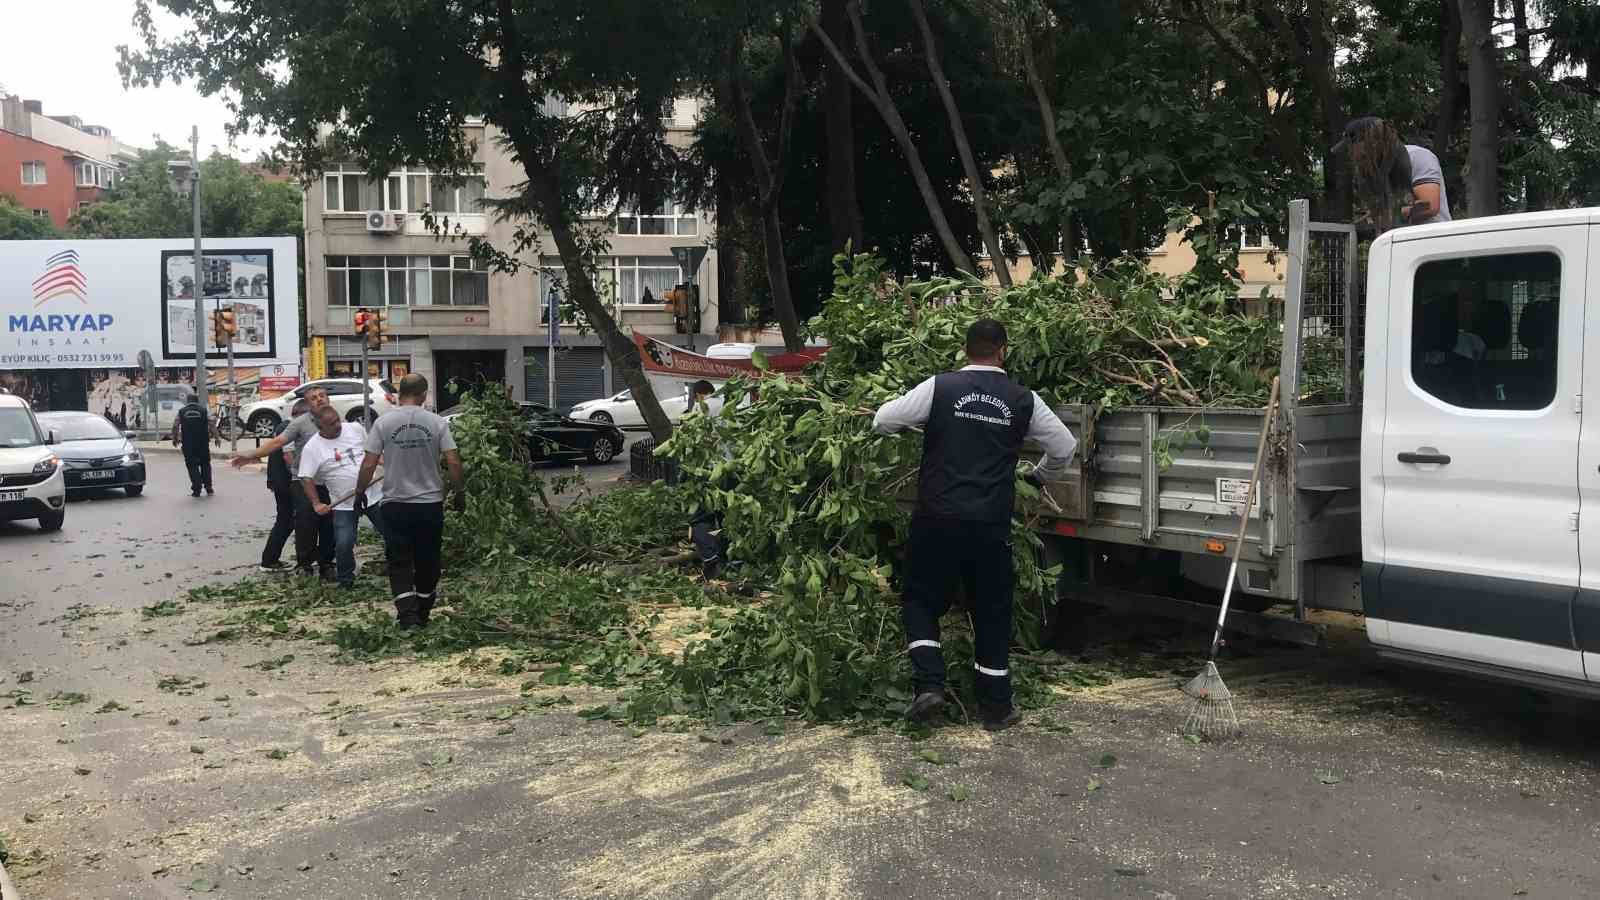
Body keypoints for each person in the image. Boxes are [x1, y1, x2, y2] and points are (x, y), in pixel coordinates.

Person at [873, 319, 1078, 732]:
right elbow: (1065, 447)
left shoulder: (940, 388)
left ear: (965, 350)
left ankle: (930, 684)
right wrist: (1038, 477)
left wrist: (920, 423)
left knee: (921, 599)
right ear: (1003, 351)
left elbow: (881, 420)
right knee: (991, 611)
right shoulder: (1024, 399)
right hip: (989, 523)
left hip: (937, 518)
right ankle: (997, 708)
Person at [355, 374, 463, 628]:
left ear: (399, 393)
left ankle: (407, 615)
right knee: (428, 559)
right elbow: (454, 461)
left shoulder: (383, 423)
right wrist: (460, 493)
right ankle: (423, 611)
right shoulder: (437, 423)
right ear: (424, 395)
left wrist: (360, 492)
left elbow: (369, 463)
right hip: (429, 505)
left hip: (395, 504)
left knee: (399, 559)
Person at [232, 386, 335, 579]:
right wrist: (251, 455)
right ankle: (304, 564)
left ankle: (327, 563)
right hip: (303, 480)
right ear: (308, 404)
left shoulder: (337, 421)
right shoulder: (299, 424)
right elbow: (278, 443)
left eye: (322, 396)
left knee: (330, 523)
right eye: (314, 398)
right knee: (306, 521)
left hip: (330, 481)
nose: (319, 399)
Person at [297, 406, 385, 588]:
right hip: (344, 503)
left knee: (392, 532)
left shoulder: (355, 428)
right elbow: (306, 478)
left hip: (374, 494)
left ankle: (402, 568)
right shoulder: (312, 448)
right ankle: (346, 580)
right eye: (332, 424)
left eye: (338, 420)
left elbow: (371, 453)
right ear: (320, 427)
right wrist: (316, 503)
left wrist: (386, 461)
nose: (338, 425)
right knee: (344, 543)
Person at [1331, 116, 1450, 228]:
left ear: (1372, 142)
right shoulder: (1373, 173)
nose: (1351, 154)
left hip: (1433, 241)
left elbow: (1430, 206)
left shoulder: (1417, 157)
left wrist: (1385, 215)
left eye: (1352, 145)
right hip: (1398, 242)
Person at [258, 399, 309, 572]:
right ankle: (269, 560)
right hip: (286, 482)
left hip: (280, 480)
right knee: (286, 521)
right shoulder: (290, 429)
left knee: (287, 521)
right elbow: (288, 457)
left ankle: (271, 559)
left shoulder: (284, 427)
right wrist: (301, 477)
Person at [171, 392, 219, 497]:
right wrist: (217, 437)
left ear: (187, 401)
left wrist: (175, 438)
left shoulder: (181, 412)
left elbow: (175, 425)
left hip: (188, 443)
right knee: (205, 464)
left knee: (191, 465)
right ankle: (208, 487)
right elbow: (211, 424)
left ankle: (196, 489)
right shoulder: (204, 411)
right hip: (203, 443)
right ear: (197, 401)